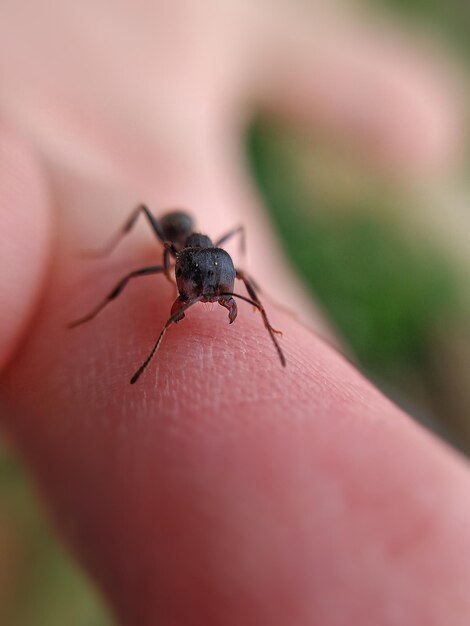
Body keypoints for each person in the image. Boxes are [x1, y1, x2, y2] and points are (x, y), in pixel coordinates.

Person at [0, 2, 468, 624]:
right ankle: (133, 311)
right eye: (201, 289)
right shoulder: (171, 254)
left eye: (211, 289)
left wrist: (264, 318)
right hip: (169, 229)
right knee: (140, 271)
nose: (205, 299)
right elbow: (185, 277)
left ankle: (264, 314)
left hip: (205, 243)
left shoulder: (218, 265)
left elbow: (228, 276)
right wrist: (158, 323)